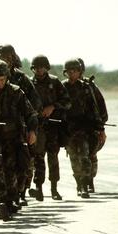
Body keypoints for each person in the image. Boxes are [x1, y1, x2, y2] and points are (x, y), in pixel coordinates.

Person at [0, 60, 38, 220]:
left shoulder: (17, 92)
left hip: (14, 138)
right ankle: (0, 203)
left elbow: (30, 114)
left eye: (2, 80)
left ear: (7, 78)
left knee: (17, 170)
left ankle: (12, 199)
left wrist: (32, 131)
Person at [30, 55, 71, 201]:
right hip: (38, 127)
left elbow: (67, 102)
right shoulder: (29, 83)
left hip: (53, 125)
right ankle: (38, 188)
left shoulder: (54, 82)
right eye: (36, 67)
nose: (39, 70)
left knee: (53, 157)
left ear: (46, 67)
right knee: (38, 158)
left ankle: (54, 189)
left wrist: (53, 107)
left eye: (42, 67)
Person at [62, 59, 105, 198]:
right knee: (74, 159)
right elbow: (58, 107)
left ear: (79, 72)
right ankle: (79, 185)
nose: (72, 73)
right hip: (69, 129)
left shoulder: (86, 87)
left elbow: (94, 108)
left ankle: (85, 184)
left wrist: (100, 128)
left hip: (84, 129)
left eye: (74, 71)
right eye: (69, 71)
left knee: (85, 157)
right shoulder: (62, 87)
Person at [78, 58, 108, 193]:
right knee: (78, 155)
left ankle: (90, 180)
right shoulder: (67, 86)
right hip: (76, 128)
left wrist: (101, 127)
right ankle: (81, 182)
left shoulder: (90, 86)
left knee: (92, 154)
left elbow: (100, 106)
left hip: (92, 127)